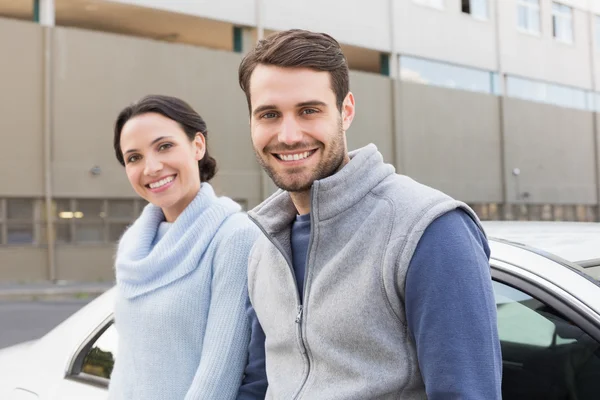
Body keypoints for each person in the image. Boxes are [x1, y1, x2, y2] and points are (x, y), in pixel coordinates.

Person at [236, 30, 502, 399]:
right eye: (269, 114)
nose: (290, 134)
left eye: (308, 110)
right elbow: (258, 383)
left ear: (345, 111)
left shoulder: (430, 230)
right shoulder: (264, 248)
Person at [109, 94, 260, 400]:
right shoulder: (133, 245)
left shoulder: (233, 237)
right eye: (134, 157)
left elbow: (219, 375)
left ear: (197, 146)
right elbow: (126, 365)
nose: (151, 167)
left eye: (164, 146)